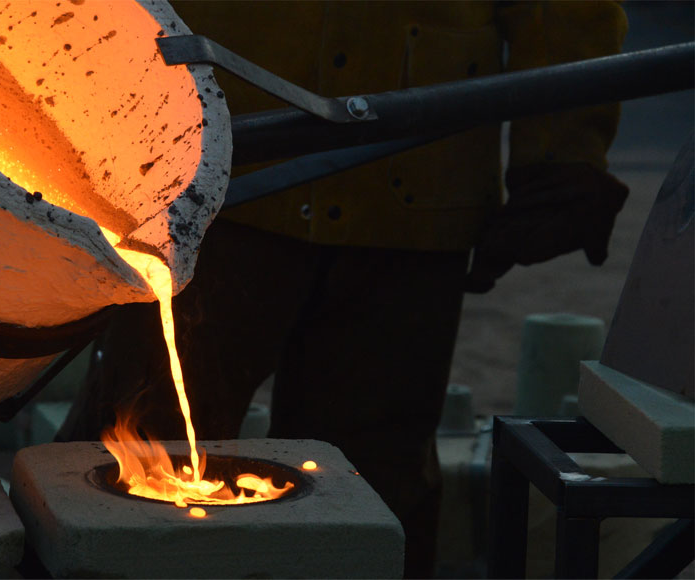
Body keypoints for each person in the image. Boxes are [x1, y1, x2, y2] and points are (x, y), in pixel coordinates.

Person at [59, 2, 629, 577]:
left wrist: (562, 155)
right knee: (132, 460)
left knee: (372, 488)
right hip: (212, 184)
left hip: (408, 196)